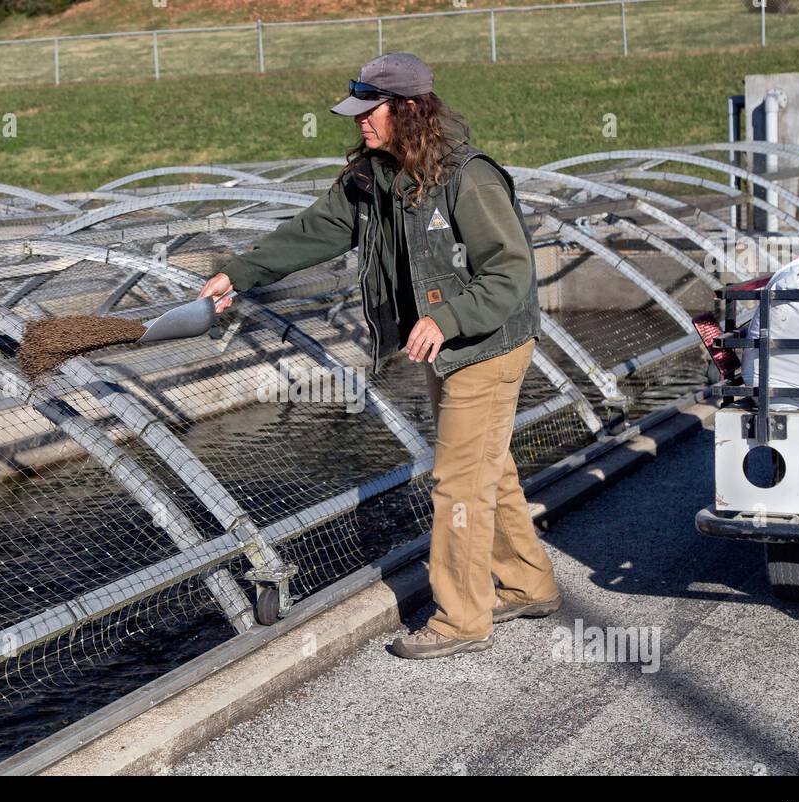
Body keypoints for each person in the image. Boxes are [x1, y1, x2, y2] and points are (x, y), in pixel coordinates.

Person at [199, 53, 560, 660]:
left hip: (487, 344)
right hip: (448, 345)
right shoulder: (373, 178)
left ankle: (462, 619)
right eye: (358, 112)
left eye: (372, 112)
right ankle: (528, 582)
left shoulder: (467, 177)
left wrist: (446, 318)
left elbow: (511, 272)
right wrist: (237, 273)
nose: (360, 123)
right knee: (487, 470)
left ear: (410, 110)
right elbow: (311, 232)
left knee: (456, 483)